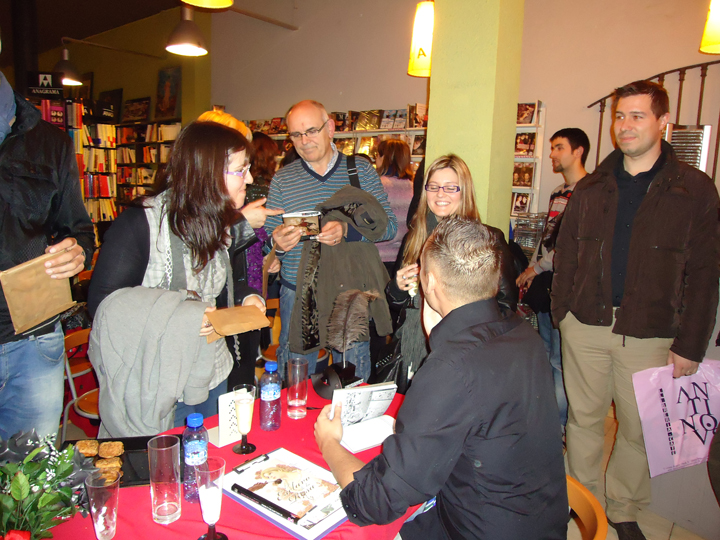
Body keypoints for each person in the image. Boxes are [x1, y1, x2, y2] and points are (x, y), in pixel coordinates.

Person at [315, 216, 567, 539]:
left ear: (430, 283)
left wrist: (329, 442)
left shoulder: (451, 369)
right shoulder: (523, 334)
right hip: (537, 521)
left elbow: (375, 501)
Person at [552, 80, 720, 540]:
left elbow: (705, 274)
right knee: (582, 422)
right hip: (584, 326)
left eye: (637, 116)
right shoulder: (591, 187)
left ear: (663, 122)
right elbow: (566, 254)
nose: (624, 127)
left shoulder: (695, 190)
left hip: (649, 332)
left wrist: (690, 344)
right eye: (620, 116)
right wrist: (561, 313)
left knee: (641, 431)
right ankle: (582, 503)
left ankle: (623, 507)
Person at [88, 121, 271, 426]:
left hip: (210, 369)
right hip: (157, 381)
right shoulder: (139, 224)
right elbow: (103, 308)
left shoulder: (217, 221)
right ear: (207, 172)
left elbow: (227, 286)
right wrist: (182, 314)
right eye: (241, 170)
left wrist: (248, 298)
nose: (249, 179)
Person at [264, 100, 397, 381]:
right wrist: (276, 245)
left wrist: (347, 232)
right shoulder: (282, 180)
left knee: (352, 375)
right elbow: (267, 241)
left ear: (331, 129)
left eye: (311, 131)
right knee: (297, 379)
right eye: (296, 135)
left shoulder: (359, 170)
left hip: (348, 292)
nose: (304, 141)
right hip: (297, 292)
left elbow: (389, 229)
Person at [0, 71, 95, 441]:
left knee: (34, 477)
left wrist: (77, 253)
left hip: (35, 340)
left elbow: (79, 229)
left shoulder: (50, 143)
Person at [385, 154, 518, 387]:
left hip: (465, 351)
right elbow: (397, 307)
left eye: (450, 187)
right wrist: (397, 288)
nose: (440, 194)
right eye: (433, 187)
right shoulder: (413, 238)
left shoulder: (488, 239)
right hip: (413, 349)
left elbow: (506, 307)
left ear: (464, 192)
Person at [196, 112, 282, 389]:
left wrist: (270, 250)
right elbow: (209, 255)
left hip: (245, 300)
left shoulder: (237, 193)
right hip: (215, 313)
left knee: (242, 373)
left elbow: (249, 248)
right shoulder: (196, 207)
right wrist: (242, 223)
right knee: (225, 379)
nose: (247, 176)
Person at [516, 127, 589, 430]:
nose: (552, 154)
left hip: (570, 290)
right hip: (548, 287)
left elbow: (573, 247)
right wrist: (533, 269)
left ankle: (558, 425)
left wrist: (536, 268)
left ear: (578, 151)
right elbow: (548, 239)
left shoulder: (590, 193)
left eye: (559, 147)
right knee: (547, 355)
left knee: (560, 361)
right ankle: (544, 422)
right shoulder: (559, 193)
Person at [374, 139, 414, 273]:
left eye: (378, 154)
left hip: (377, 257)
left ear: (384, 157)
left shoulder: (377, 186)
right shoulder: (413, 187)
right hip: (404, 258)